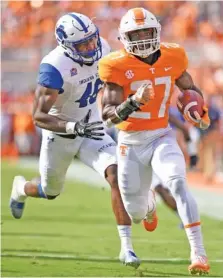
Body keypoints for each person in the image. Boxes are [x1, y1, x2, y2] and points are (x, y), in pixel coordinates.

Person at [9, 12, 157, 269]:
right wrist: (73, 126)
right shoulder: (54, 67)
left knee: (115, 174)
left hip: (92, 125)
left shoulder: (105, 49)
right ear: (66, 45)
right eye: (82, 45)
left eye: (92, 40)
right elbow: (39, 116)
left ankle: (126, 248)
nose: (90, 47)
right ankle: (21, 188)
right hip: (61, 133)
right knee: (50, 191)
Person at [98, 7, 211, 275]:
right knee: (136, 213)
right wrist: (134, 101)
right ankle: (149, 204)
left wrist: (198, 111)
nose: (142, 39)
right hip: (130, 142)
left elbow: (190, 89)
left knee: (177, 182)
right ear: (124, 38)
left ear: (157, 31)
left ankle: (198, 252)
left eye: (146, 32)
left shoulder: (173, 55)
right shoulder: (116, 65)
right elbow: (108, 117)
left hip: (162, 135)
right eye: (135, 34)